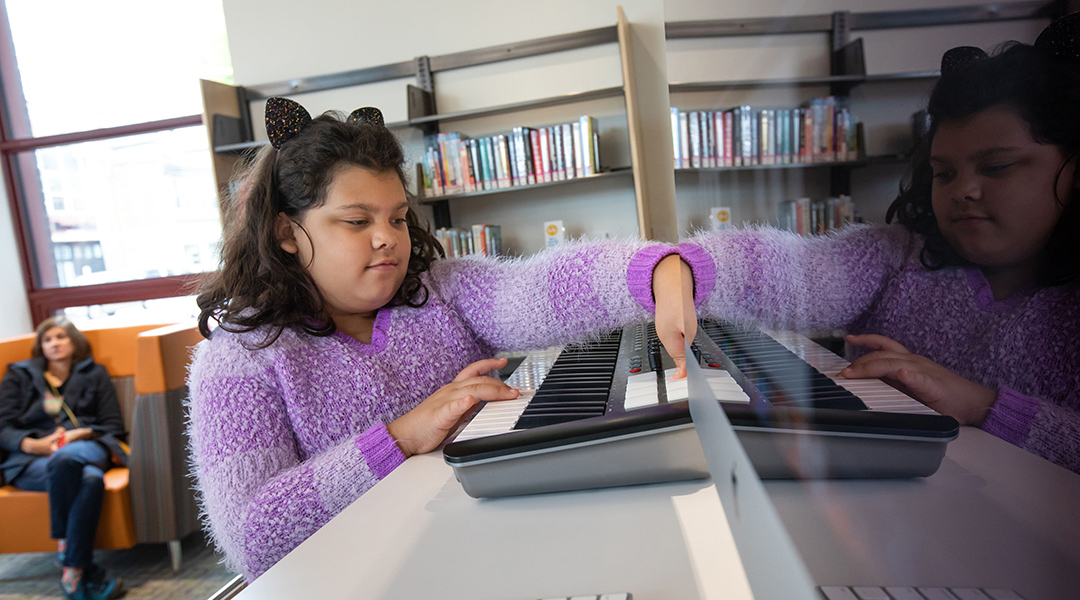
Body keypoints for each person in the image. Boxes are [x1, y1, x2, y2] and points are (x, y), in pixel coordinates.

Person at [187, 98, 683, 581]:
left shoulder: (440, 290)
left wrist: (649, 271)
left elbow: (539, 290)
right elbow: (252, 535)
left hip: (483, 554)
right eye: (358, 221)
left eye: (397, 218)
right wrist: (399, 438)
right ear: (286, 232)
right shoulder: (238, 357)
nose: (388, 237)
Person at [655, 14, 1080, 474]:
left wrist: (981, 406)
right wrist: (687, 269)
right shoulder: (896, 256)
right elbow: (796, 270)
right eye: (944, 173)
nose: (963, 191)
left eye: (996, 167)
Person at [0, 317, 127, 600]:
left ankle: (65, 548)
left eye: (60, 337)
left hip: (85, 445)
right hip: (30, 457)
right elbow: (3, 427)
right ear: (40, 347)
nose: (54, 343)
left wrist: (77, 434)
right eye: (47, 339)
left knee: (66, 459)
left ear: (74, 341)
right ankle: (77, 571)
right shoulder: (18, 376)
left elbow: (113, 426)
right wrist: (34, 445)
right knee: (91, 480)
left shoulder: (95, 374)